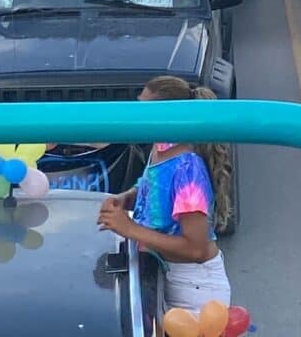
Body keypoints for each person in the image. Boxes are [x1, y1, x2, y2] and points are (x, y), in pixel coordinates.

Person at [97, 75, 232, 324]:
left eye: (146, 109)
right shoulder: (159, 148)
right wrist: (125, 198)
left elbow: (196, 247)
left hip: (195, 290)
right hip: (166, 276)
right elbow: (149, 185)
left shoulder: (187, 168)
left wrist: (130, 229)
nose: (138, 116)